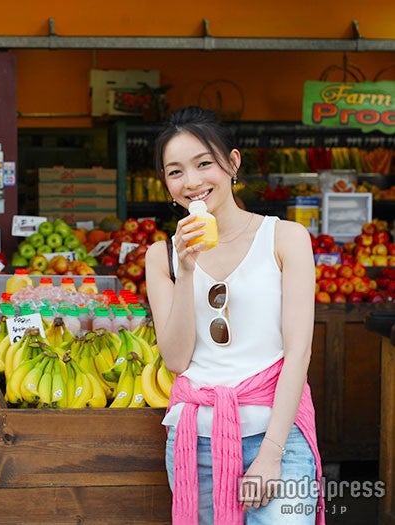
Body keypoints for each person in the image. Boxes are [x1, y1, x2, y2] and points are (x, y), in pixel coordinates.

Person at [144, 106, 324, 524]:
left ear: (232, 163)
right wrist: (187, 270)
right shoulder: (163, 257)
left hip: (277, 438)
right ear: (167, 186)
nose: (191, 182)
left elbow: (297, 353)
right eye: (175, 172)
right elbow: (176, 360)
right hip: (196, 444)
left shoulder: (285, 238)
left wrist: (272, 454)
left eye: (204, 163)